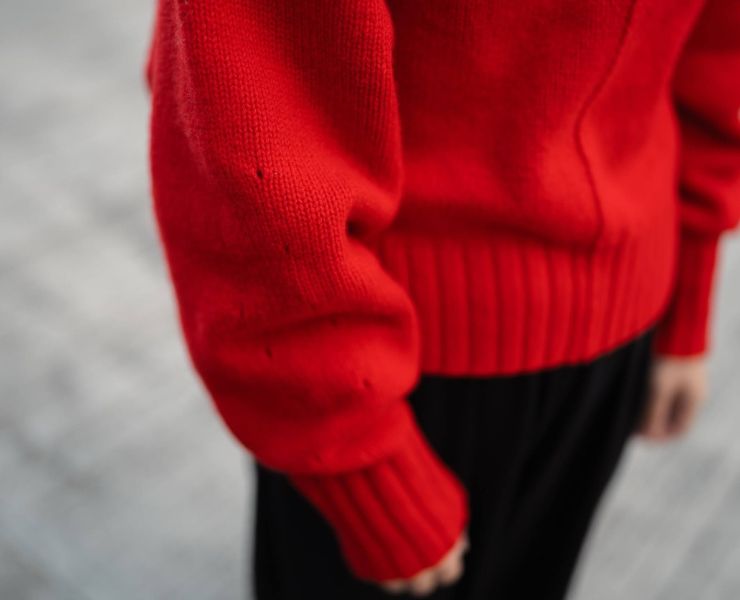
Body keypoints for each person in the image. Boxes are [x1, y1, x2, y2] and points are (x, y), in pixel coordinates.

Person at [144, 1, 740, 598]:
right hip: (391, 358)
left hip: (619, 331)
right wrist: (358, 458)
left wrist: (691, 285)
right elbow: (254, 129)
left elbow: (720, 42)